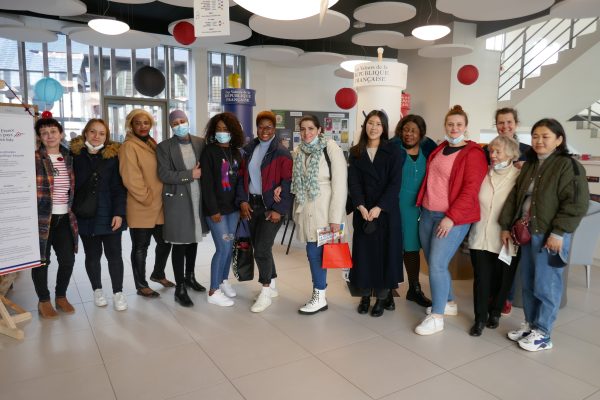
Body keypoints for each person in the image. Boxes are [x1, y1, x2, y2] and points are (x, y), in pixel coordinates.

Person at [499, 118, 589, 351]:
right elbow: (515, 197)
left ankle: (544, 333)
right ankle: (530, 324)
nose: (539, 141)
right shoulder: (530, 164)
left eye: (545, 136)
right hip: (529, 234)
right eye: (535, 136)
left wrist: (559, 233)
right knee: (528, 282)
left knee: (547, 284)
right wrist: (506, 226)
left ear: (559, 140)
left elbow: (576, 204)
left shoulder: (569, 166)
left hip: (552, 236)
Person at [414, 105, 487, 335]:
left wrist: (451, 218)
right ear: (445, 126)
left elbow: (470, 190)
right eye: (450, 124)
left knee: (436, 264)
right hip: (428, 213)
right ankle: (448, 303)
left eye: (458, 124)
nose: (454, 128)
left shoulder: (473, 154)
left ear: (465, 127)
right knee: (435, 261)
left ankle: (437, 317)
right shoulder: (441, 148)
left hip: (451, 218)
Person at [348, 110, 403, 317]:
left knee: (384, 255)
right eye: (370, 123)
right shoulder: (356, 152)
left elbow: (395, 183)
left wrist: (379, 207)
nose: (374, 127)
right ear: (365, 126)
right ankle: (364, 295)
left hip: (386, 212)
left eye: (378, 124)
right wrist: (361, 206)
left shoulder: (393, 151)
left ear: (384, 128)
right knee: (364, 256)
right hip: (363, 213)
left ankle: (381, 297)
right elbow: (353, 183)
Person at [236, 110, 293, 313]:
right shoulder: (249, 149)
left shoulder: (281, 152)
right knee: (260, 246)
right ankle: (273, 284)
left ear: (274, 129)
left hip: (271, 208)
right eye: (261, 126)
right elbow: (242, 178)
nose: (265, 131)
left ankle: (266, 291)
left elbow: (288, 182)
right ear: (256, 127)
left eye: (269, 127)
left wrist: (278, 209)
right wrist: (243, 201)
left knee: (261, 248)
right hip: (252, 205)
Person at [291, 115, 347, 315]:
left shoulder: (330, 148)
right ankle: (319, 294)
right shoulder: (298, 152)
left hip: (325, 210)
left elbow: (340, 185)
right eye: (303, 129)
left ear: (320, 130)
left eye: (311, 129)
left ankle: (319, 294)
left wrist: (335, 218)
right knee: (312, 253)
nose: (307, 133)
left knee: (322, 254)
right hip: (306, 209)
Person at [71, 119, 128, 311]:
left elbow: (119, 188)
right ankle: (97, 289)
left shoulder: (113, 157)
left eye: (101, 133)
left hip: (109, 212)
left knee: (115, 256)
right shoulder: (74, 156)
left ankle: (118, 293)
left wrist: (119, 213)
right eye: (93, 132)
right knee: (93, 256)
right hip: (86, 213)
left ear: (107, 136)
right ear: (85, 133)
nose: (97, 136)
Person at [467, 135, 521, 336]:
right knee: (482, 279)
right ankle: (479, 318)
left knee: (503, 279)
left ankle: (495, 312)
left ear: (511, 154)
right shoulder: (483, 173)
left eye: (498, 152)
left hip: (506, 238)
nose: (493, 156)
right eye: (491, 151)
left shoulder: (518, 178)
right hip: (480, 235)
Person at [119, 109, 173, 298]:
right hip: (142, 204)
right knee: (141, 247)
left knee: (165, 241)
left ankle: (158, 274)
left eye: (146, 123)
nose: (142, 127)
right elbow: (130, 178)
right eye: (138, 123)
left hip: (159, 204)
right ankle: (141, 285)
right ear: (131, 125)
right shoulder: (129, 146)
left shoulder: (151, 143)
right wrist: (146, 197)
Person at [157, 109, 208, 307]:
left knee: (193, 240)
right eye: (175, 122)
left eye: (182, 120)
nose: (180, 124)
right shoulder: (164, 147)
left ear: (188, 121)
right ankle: (179, 287)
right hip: (177, 200)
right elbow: (164, 174)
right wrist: (189, 175)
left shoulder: (200, 142)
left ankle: (190, 277)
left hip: (197, 198)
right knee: (180, 243)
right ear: (171, 126)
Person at [485, 107, 532, 316]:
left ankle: (506, 297)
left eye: (509, 122)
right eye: (500, 123)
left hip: (515, 212)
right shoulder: (490, 148)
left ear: (516, 124)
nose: (505, 126)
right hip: (492, 210)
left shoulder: (528, 151)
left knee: (509, 256)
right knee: (492, 256)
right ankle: (492, 293)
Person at [33, 117, 79, 319]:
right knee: (42, 262)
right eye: (44, 133)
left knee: (68, 260)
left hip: (65, 219)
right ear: (39, 137)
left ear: (61, 134)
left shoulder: (70, 157)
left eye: (53, 131)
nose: (49, 136)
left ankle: (61, 296)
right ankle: (44, 300)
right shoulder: (33, 158)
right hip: (42, 219)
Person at [391, 114, 436, 308]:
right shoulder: (393, 147)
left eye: (414, 130)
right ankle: (386, 287)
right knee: (391, 245)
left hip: (416, 207)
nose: (409, 134)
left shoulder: (429, 148)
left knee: (411, 249)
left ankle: (414, 289)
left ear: (421, 134)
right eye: (406, 129)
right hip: (393, 204)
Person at [201, 112, 244, 307]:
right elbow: (207, 184)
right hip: (216, 210)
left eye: (225, 129)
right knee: (223, 247)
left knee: (230, 244)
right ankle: (213, 290)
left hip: (233, 209)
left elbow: (241, 180)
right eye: (218, 129)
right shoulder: (209, 151)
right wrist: (212, 209)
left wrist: (242, 203)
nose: (221, 133)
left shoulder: (237, 152)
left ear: (233, 131)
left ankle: (223, 280)